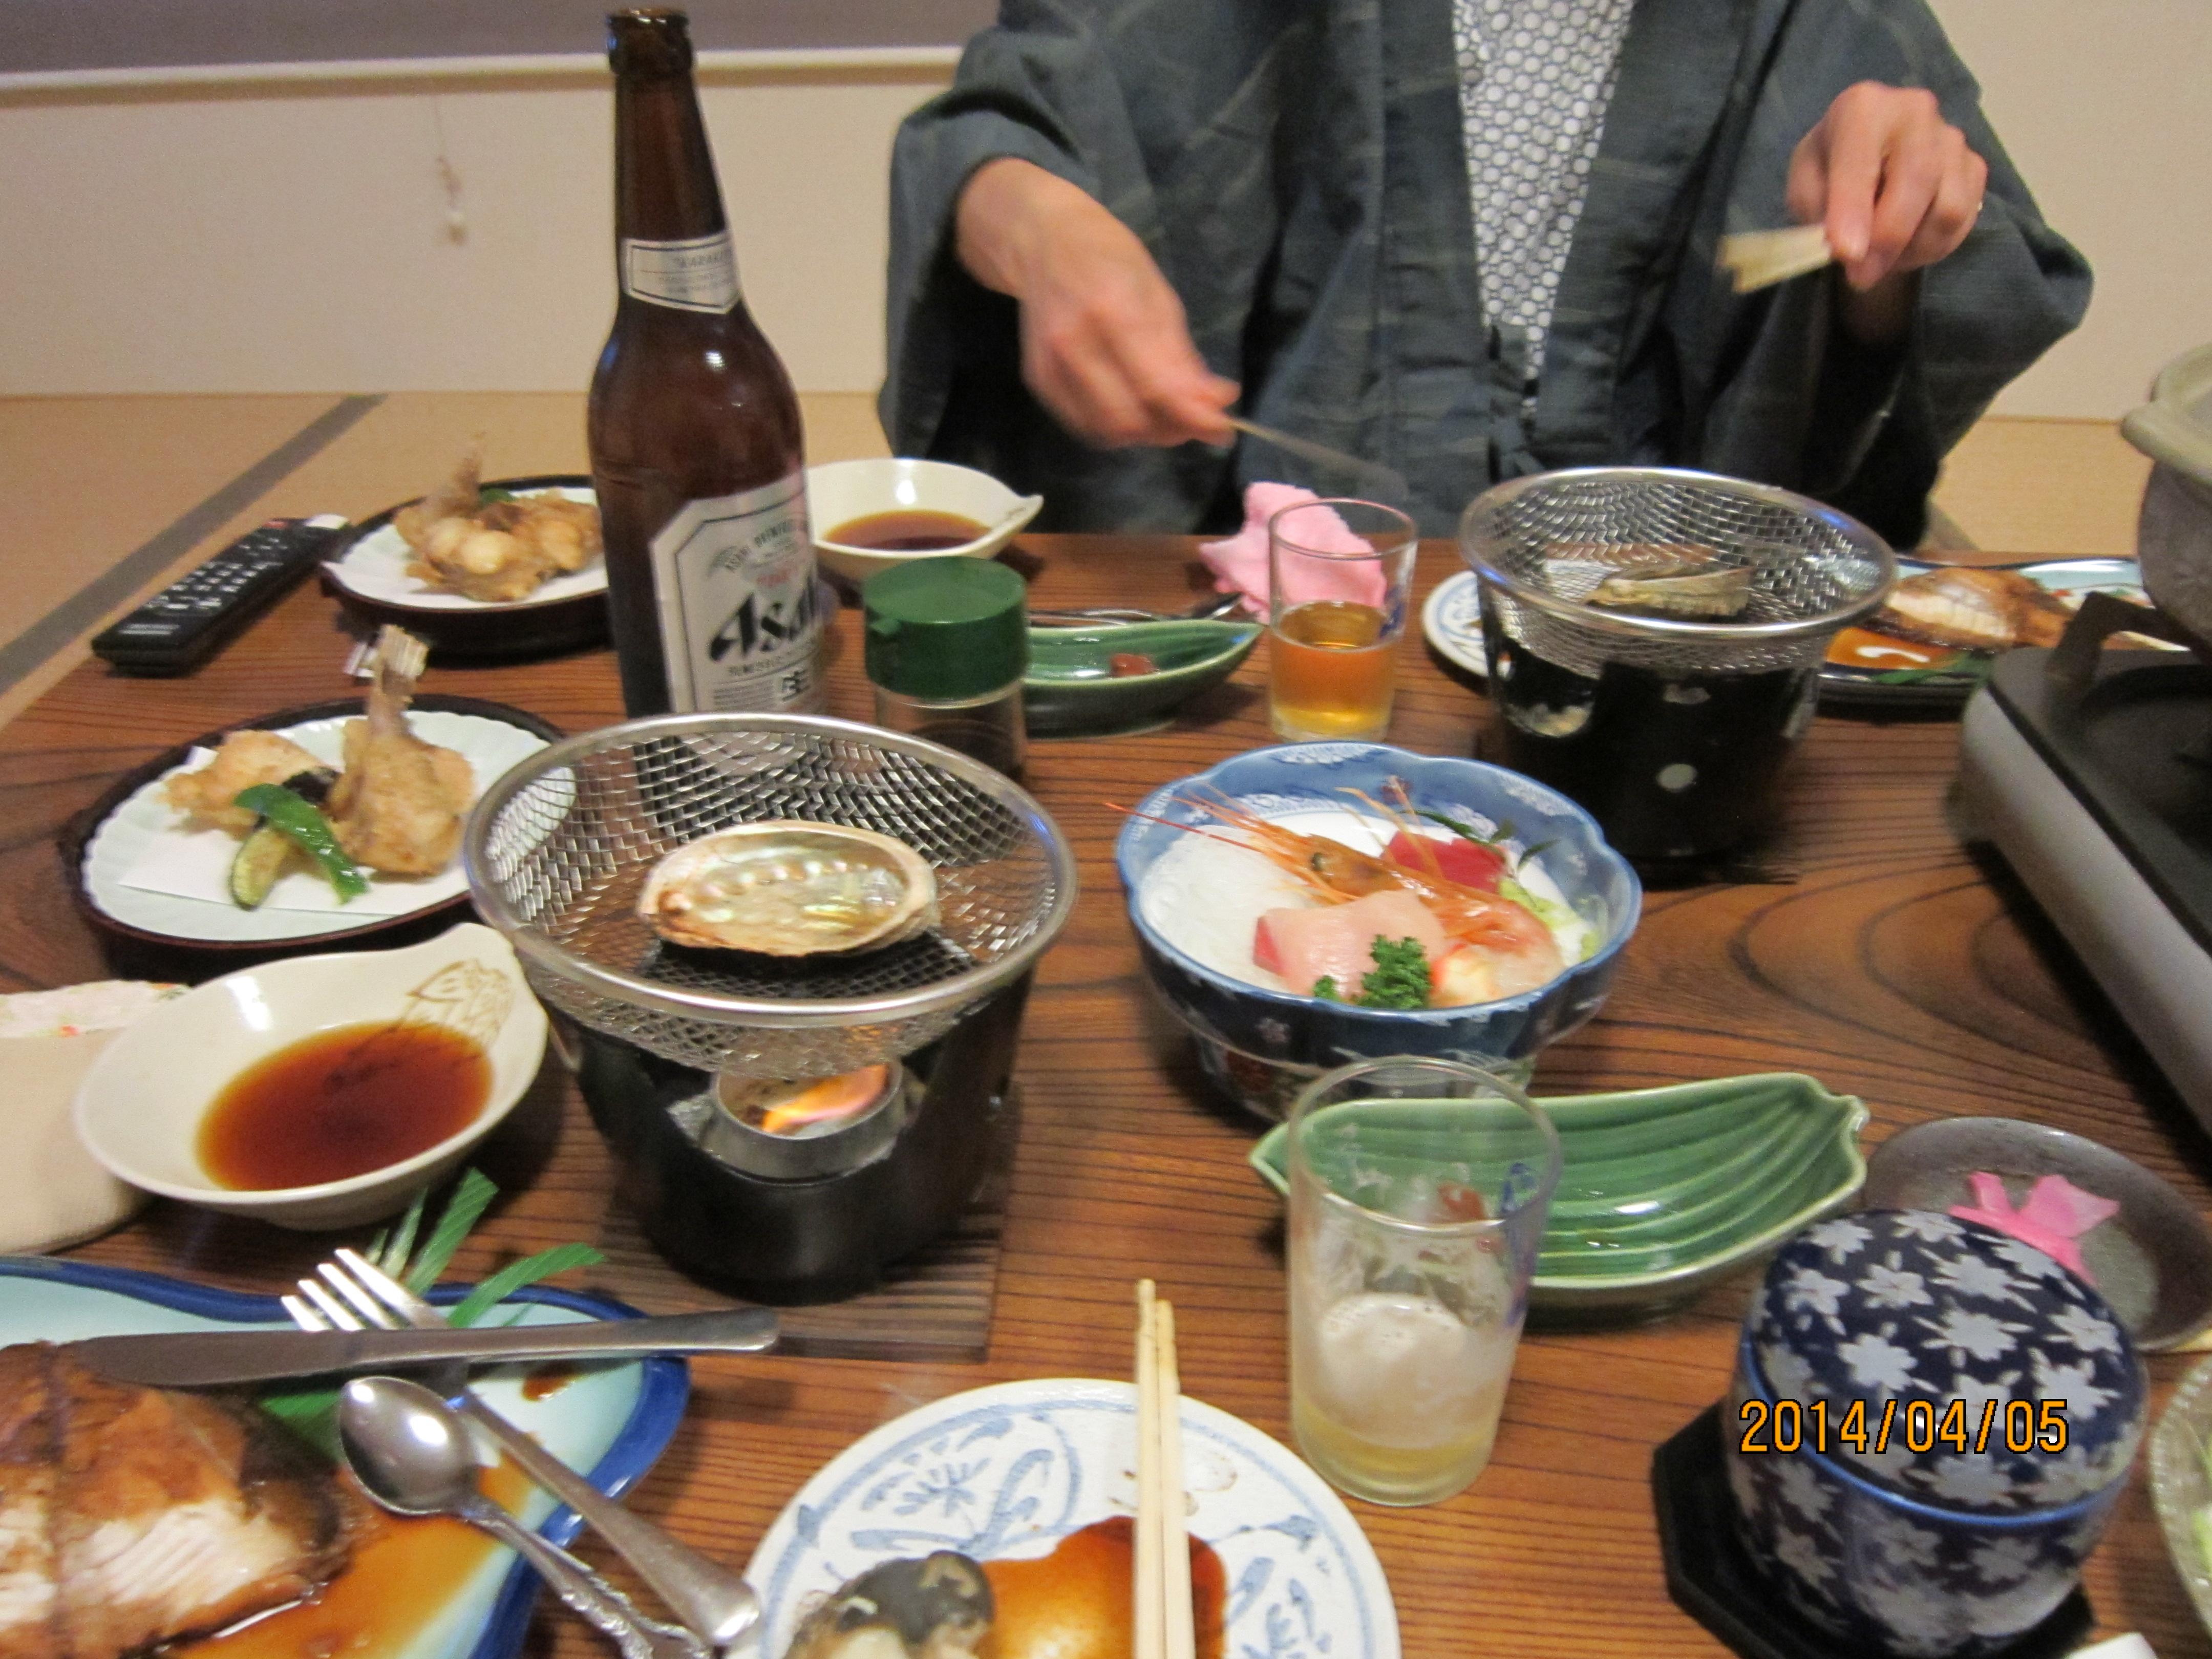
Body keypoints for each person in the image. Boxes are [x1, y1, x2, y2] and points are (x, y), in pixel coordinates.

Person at [879, 0, 2090, 545]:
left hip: (1658, 595)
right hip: (1282, 573)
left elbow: (1945, 294)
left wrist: (1888, 240)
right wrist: (1046, 231)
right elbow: (1000, 135)